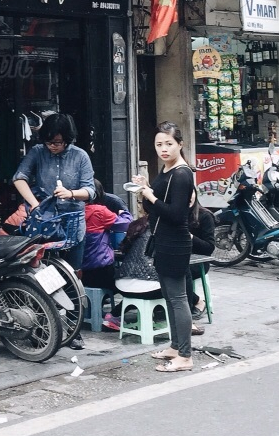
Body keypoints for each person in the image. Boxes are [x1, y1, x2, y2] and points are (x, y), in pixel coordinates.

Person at [131, 121, 196, 373]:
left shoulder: (181, 174)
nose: (164, 149)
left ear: (180, 144)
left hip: (175, 242)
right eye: (159, 144)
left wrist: (150, 195)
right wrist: (146, 188)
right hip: (162, 240)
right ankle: (175, 346)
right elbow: (153, 208)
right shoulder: (166, 170)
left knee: (178, 299)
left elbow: (177, 215)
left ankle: (185, 356)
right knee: (169, 296)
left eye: (169, 144)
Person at [11, 113, 96, 272]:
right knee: (40, 270)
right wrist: (35, 204)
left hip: (72, 223)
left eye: (57, 142)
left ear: (67, 139)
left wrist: (70, 193)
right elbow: (19, 178)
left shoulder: (80, 156)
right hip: (44, 221)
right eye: (48, 142)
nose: (52, 146)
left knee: (72, 271)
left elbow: (90, 191)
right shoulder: (37, 152)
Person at [80, 182, 133, 335]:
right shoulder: (99, 211)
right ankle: (113, 316)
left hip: (80, 272)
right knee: (131, 285)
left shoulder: (73, 212)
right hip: (100, 271)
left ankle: (94, 310)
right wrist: (124, 213)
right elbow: (125, 225)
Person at [186, 205, 216, 336]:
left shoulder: (204, 216)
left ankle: (197, 301)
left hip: (199, 262)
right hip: (178, 257)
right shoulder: (174, 214)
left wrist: (191, 237)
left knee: (180, 272)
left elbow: (209, 248)